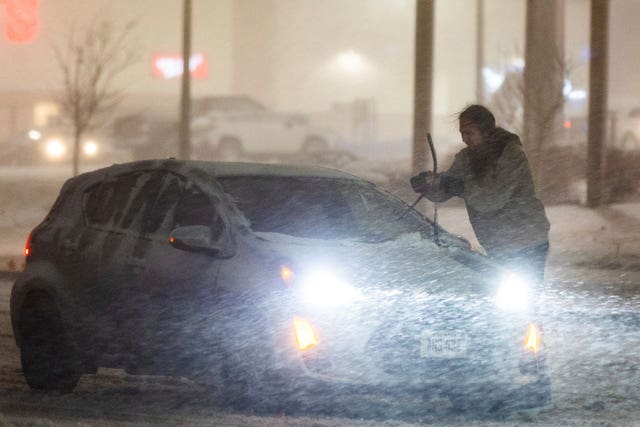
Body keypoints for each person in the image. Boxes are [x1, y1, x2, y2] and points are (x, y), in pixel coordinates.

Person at [411, 104, 550, 289]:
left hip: (527, 241)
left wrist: (460, 186)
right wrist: (430, 185)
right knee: (501, 300)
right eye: (462, 133)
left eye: (469, 132)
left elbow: (493, 199)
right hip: (497, 244)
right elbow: (448, 188)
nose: (464, 138)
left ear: (485, 131)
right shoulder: (466, 159)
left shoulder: (510, 154)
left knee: (523, 299)